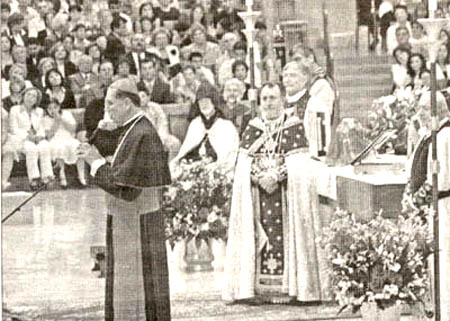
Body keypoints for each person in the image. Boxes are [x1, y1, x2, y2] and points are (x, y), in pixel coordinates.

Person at [222, 82, 329, 304]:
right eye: (265, 99)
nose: (269, 103)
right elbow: (242, 165)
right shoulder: (253, 127)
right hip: (257, 195)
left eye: (273, 98)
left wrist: (278, 176)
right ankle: (254, 290)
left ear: (282, 100)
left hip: (287, 196)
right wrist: (257, 177)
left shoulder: (293, 126)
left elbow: (301, 164)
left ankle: (291, 288)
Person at [78, 78, 172, 321]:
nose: (106, 110)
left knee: (137, 287)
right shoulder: (134, 128)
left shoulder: (141, 133)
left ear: (128, 104)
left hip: (135, 222)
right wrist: (101, 135)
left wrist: (95, 162)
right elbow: (119, 155)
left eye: (111, 104)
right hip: (130, 220)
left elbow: (125, 188)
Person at [406, 91, 450, 321]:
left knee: (444, 263)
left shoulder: (445, 136)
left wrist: (417, 199)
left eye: (422, 109)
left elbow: (439, 179)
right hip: (430, 208)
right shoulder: (430, 135)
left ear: (433, 111)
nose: (418, 114)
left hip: (442, 208)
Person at [170, 81, 239, 172]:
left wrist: (211, 164)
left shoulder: (225, 126)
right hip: (194, 165)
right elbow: (187, 150)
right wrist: (185, 161)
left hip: (216, 167)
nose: (204, 105)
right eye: (201, 102)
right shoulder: (196, 124)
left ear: (214, 102)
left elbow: (227, 156)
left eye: (207, 101)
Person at [7, 87, 54, 190]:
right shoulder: (15, 110)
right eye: (28, 94)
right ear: (23, 96)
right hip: (21, 139)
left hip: (36, 138)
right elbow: (13, 129)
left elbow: (41, 127)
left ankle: (46, 177)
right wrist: (27, 136)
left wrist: (40, 136)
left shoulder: (39, 111)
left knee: (45, 146)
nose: (31, 98)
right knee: (31, 148)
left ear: (37, 100)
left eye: (34, 96)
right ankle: (34, 179)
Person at [282, 61, 330, 156]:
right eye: (285, 76)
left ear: (305, 78)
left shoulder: (316, 105)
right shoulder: (279, 104)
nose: (287, 80)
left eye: (293, 75)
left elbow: (320, 146)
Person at [44, 99, 86, 188]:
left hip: (68, 137)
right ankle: (62, 177)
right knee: (59, 148)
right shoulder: (46, 119)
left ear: (59, 107)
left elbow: (72, 129)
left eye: (55, 107)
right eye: (50, 108)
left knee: (77, 146)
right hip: (55, 139)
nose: (53, 110)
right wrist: (56, 121)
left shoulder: (67, 114)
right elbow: (49, 135)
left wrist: (61, 119)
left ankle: (81, 177)